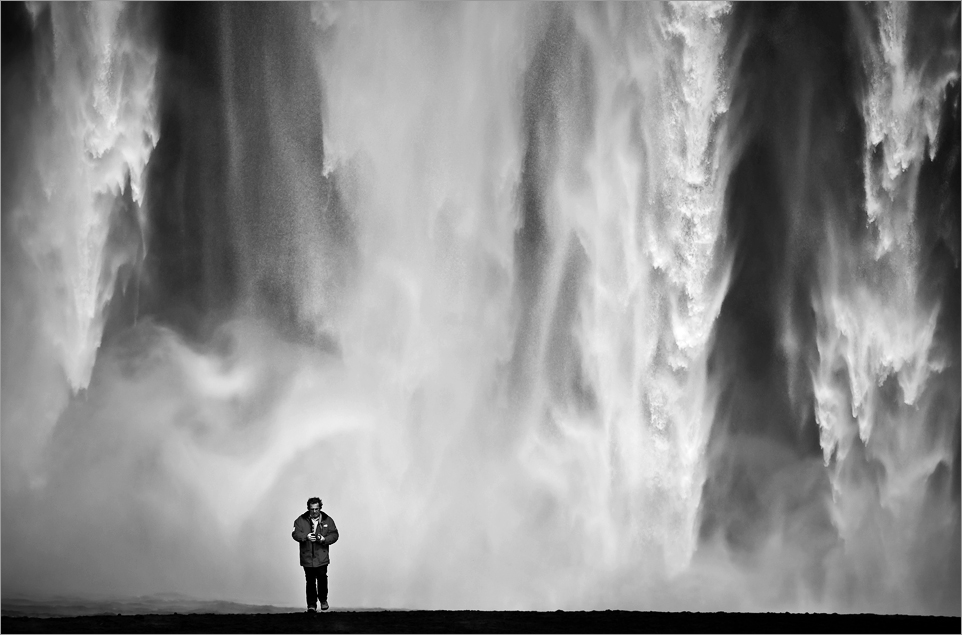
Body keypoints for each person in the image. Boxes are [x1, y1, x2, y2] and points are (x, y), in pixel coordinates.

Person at [292, 497, 339, 612]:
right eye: (312, 509)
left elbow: (335, 535)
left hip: (321, 556)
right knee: (310, 581)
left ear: (320, 508)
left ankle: (323, 600)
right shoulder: (300, 520)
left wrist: (324, 539)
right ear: (308, 508)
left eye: (316, 509)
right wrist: (305, 537)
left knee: (322, 578)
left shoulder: (328, 520)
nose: (314, 511)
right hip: (307, 557)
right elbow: (295, 534)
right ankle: (311, 605)